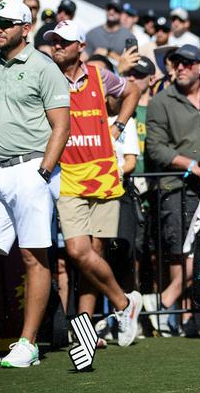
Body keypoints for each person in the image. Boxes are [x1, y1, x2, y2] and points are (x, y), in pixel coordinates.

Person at [45, 19, 143, 348]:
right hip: (67, 176)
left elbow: (133, 90)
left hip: (103, 175)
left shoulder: (100, 75)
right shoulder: (47, 76)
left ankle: (86, 336)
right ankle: (125, 303)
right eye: (54, 40)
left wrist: (119, 126)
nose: (57, 45)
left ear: (80, 47)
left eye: (64, 41)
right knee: (79, 252)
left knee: (95, 254)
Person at [0, 0, 70, 367]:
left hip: (30, 170)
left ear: (25, 28)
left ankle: (29, 344)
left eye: (6, 23)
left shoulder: (44, 67)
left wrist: (43, 172)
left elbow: (62, 126)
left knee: (33, 255)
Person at [145, 44, 200, 337]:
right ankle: (177, 315)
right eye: (177, 63)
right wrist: (192, 165)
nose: (181, 67)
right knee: (179, 252)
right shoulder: (161, 101)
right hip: (178, 186)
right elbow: (156, 148)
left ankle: (171, 308)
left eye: (188, 62)